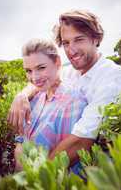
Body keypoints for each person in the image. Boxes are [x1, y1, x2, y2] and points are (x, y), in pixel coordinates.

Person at [9, 10, 121, 166]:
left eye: (79, 39)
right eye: (66, 43)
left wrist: (35, 179)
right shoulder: (71, 71)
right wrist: (21, 96)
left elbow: (82, 140)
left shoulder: (113, 78)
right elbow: (42, 80)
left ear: (95, 39)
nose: (71, 50)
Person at [14, 39, 87, 173]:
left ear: (57, 62)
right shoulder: (36, 97)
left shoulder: (73, 102)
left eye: (41, 68)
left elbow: (66, 159)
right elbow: (21, 138)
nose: (34, 78)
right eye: (28, 71)